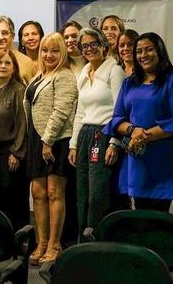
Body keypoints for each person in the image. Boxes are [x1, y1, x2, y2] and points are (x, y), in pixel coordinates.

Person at [104, 32, 173, 213]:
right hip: (137, 158)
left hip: (163, 159)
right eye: (139, 51)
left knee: (157, 216)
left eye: (149, 50)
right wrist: (133, 131)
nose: (143, 55)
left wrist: (142, 136)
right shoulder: (130, 83)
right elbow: (117, 118)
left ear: (160, 51)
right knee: (140, 213)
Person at [24, 33, 78, 264]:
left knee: (55, 192)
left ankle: (55, 245)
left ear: (63, 52)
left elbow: (61, 110)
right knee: (38, 193)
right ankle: (41, 243)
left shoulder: (65, 75)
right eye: (45, 50)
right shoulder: (40, 75)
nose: (49, 55)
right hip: (36, 138)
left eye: (55, 50)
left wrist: (48, 141)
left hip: (56, 140)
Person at [68, 28, 127, 236]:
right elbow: (80, 112)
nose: (89, 49)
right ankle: (83, 242)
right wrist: (73, 144)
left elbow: (121, 110)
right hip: (85, 135)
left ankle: (100, 240)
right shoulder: (84, 73)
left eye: (94, 44)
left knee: (99, 193)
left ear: (104, 46)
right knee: (83, 192)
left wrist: (114, 143)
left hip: (104, 135)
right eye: (84, 46)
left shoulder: (114, 70)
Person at [0, 49, 29, 229]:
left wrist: (16, 152)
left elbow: (23, 123)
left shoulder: (18, 89)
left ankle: (18, 236)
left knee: (12, 196)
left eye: (7, 63)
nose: (3, 66)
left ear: (14, 67)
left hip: (10, 151)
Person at [0, 16, 37, 85]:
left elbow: (33, 90)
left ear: (12, 36)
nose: (0, 37)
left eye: (4, 33)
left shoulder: (27, 62)